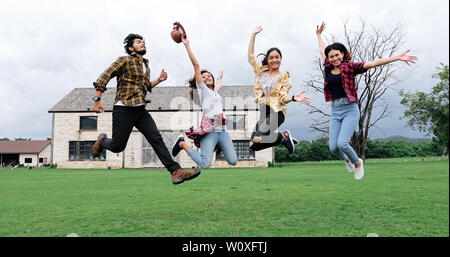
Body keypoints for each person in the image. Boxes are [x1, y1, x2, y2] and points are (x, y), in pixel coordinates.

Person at [91, 33, 200, 185]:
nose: (142, 43)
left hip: (140, 110)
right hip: (124, 108)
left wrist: (158, 80)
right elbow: (105, 75)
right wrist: (97, 99)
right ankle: (102, 141)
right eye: (138, 42)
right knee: (117, 146)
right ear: (131, 48)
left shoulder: (145, 64)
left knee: (156, 139)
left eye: (143, 41)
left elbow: (145, 87)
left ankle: (175, 171)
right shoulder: (125, 60)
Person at [315, 22, 418, 180]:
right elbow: (322, 50)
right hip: (335, 110)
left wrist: (397, 57)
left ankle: (357, 163)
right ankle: (348, 160)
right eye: (332, 56)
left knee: (342, 143)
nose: (335, 58)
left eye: (337, 55)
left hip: (350, 109)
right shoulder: (327, 67)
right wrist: (319, 35)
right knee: (333, 147)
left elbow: (373, 63)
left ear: (342, 54)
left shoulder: (349, 67)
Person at [171, 34, 238, 168]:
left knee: (233, 160)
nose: (207, 77)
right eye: (203, 77)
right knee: (205, 163)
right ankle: (182, 144)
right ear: (200, 81)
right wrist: (187, 45)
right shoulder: (203, 91)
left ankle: (217, 144)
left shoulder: (214, 93)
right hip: (210, 130)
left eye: (209, 76)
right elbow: (196, 65)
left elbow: (218, 86)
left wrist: (219, 78)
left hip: (222, 129)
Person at [248, 26, 311, 154]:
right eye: (271, 58)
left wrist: (293, 98)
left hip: (277, 112)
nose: (274, 60)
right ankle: (283, 139)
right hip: (263, 111)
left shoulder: (284, 78)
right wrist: (253, 35)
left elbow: (283, 97)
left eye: (277, 57)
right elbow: (250, 57)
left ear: (280, 59)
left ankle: (283, 136)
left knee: (258, 138)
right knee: (253, 145)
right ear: (268, 59)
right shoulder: (261, 72)